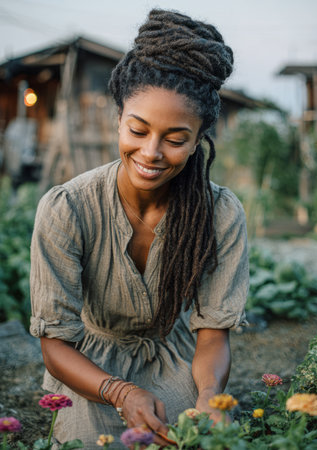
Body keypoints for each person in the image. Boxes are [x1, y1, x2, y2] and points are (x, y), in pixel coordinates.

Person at [30, 8, 249, 449]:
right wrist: (121, 392)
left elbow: (211, 334)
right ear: (119, 118)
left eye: (175, 139)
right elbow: (55, 345)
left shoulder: (220, 214)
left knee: (196, 437)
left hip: (175, 357)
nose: (151, 152)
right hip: (88, 365)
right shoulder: (67, 208)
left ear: (198, 139)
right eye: (137, 129)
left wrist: (209, 394)